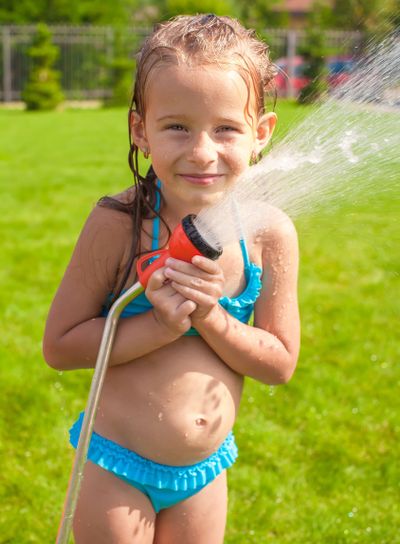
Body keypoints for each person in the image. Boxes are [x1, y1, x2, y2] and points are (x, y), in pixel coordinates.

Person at [43, 13, 300, 544]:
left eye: (226, 128)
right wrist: (159, 327)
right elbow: (60, 347)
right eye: (177, 126)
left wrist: (210, 318)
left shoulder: (268, 234)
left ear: (261, 134)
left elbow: (279, 363)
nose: (202, 151)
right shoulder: (119, 224)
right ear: (141, 129)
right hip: (117, 466)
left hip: (204, 475)